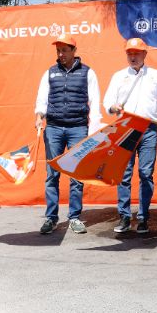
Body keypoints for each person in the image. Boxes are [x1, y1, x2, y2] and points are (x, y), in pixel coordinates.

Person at [34, 34, 102, 235]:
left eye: (64, 50)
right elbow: (41, 100)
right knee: (51, 174)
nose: (61, 54)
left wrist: (92, 132)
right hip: (53, 128)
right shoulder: (50, 73)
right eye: (58, 51)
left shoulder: (88, 73)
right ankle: (51, 218)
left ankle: (74, 217)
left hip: (77, 129)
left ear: (74, 51)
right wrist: (39, 116)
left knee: (76, 174)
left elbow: (95, 103)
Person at [103, 38, 157, 235]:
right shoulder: (118, 76)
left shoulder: (156, 76)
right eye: (130, 53)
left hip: (148, 129)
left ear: (145, 54)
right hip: (125, 129)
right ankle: (124, 216)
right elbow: (108, 102)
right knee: (124, 174)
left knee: (146, 173)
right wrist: (114, 107)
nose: (133, 56)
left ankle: (143, 216)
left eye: (137, 53)